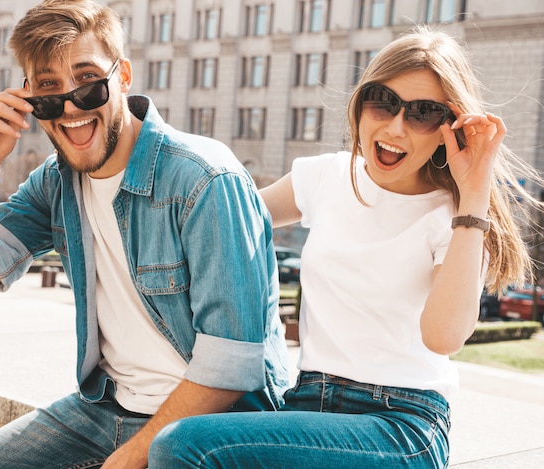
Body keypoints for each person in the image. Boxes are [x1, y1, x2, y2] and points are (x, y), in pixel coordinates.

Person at [147, 26, 544, 468]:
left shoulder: (454, 220)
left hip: (401, 425)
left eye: (423, 113)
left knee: (181, 445)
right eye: (383, 101)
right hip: (308, 403)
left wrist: (474, 195)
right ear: (360, 103)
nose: (395, 126)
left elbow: (444, 337)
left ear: (447, 131)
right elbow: (223, 225)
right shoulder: (324, 177)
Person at [0, 1, 289, 468]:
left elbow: (231, 369)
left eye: (87, 81)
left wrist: (131, 457)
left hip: (210, 428)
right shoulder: (55, 183)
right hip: (104, 409)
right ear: (28, 99)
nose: (71, 105)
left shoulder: (204, 179)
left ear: (124, 76)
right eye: (48, 90)